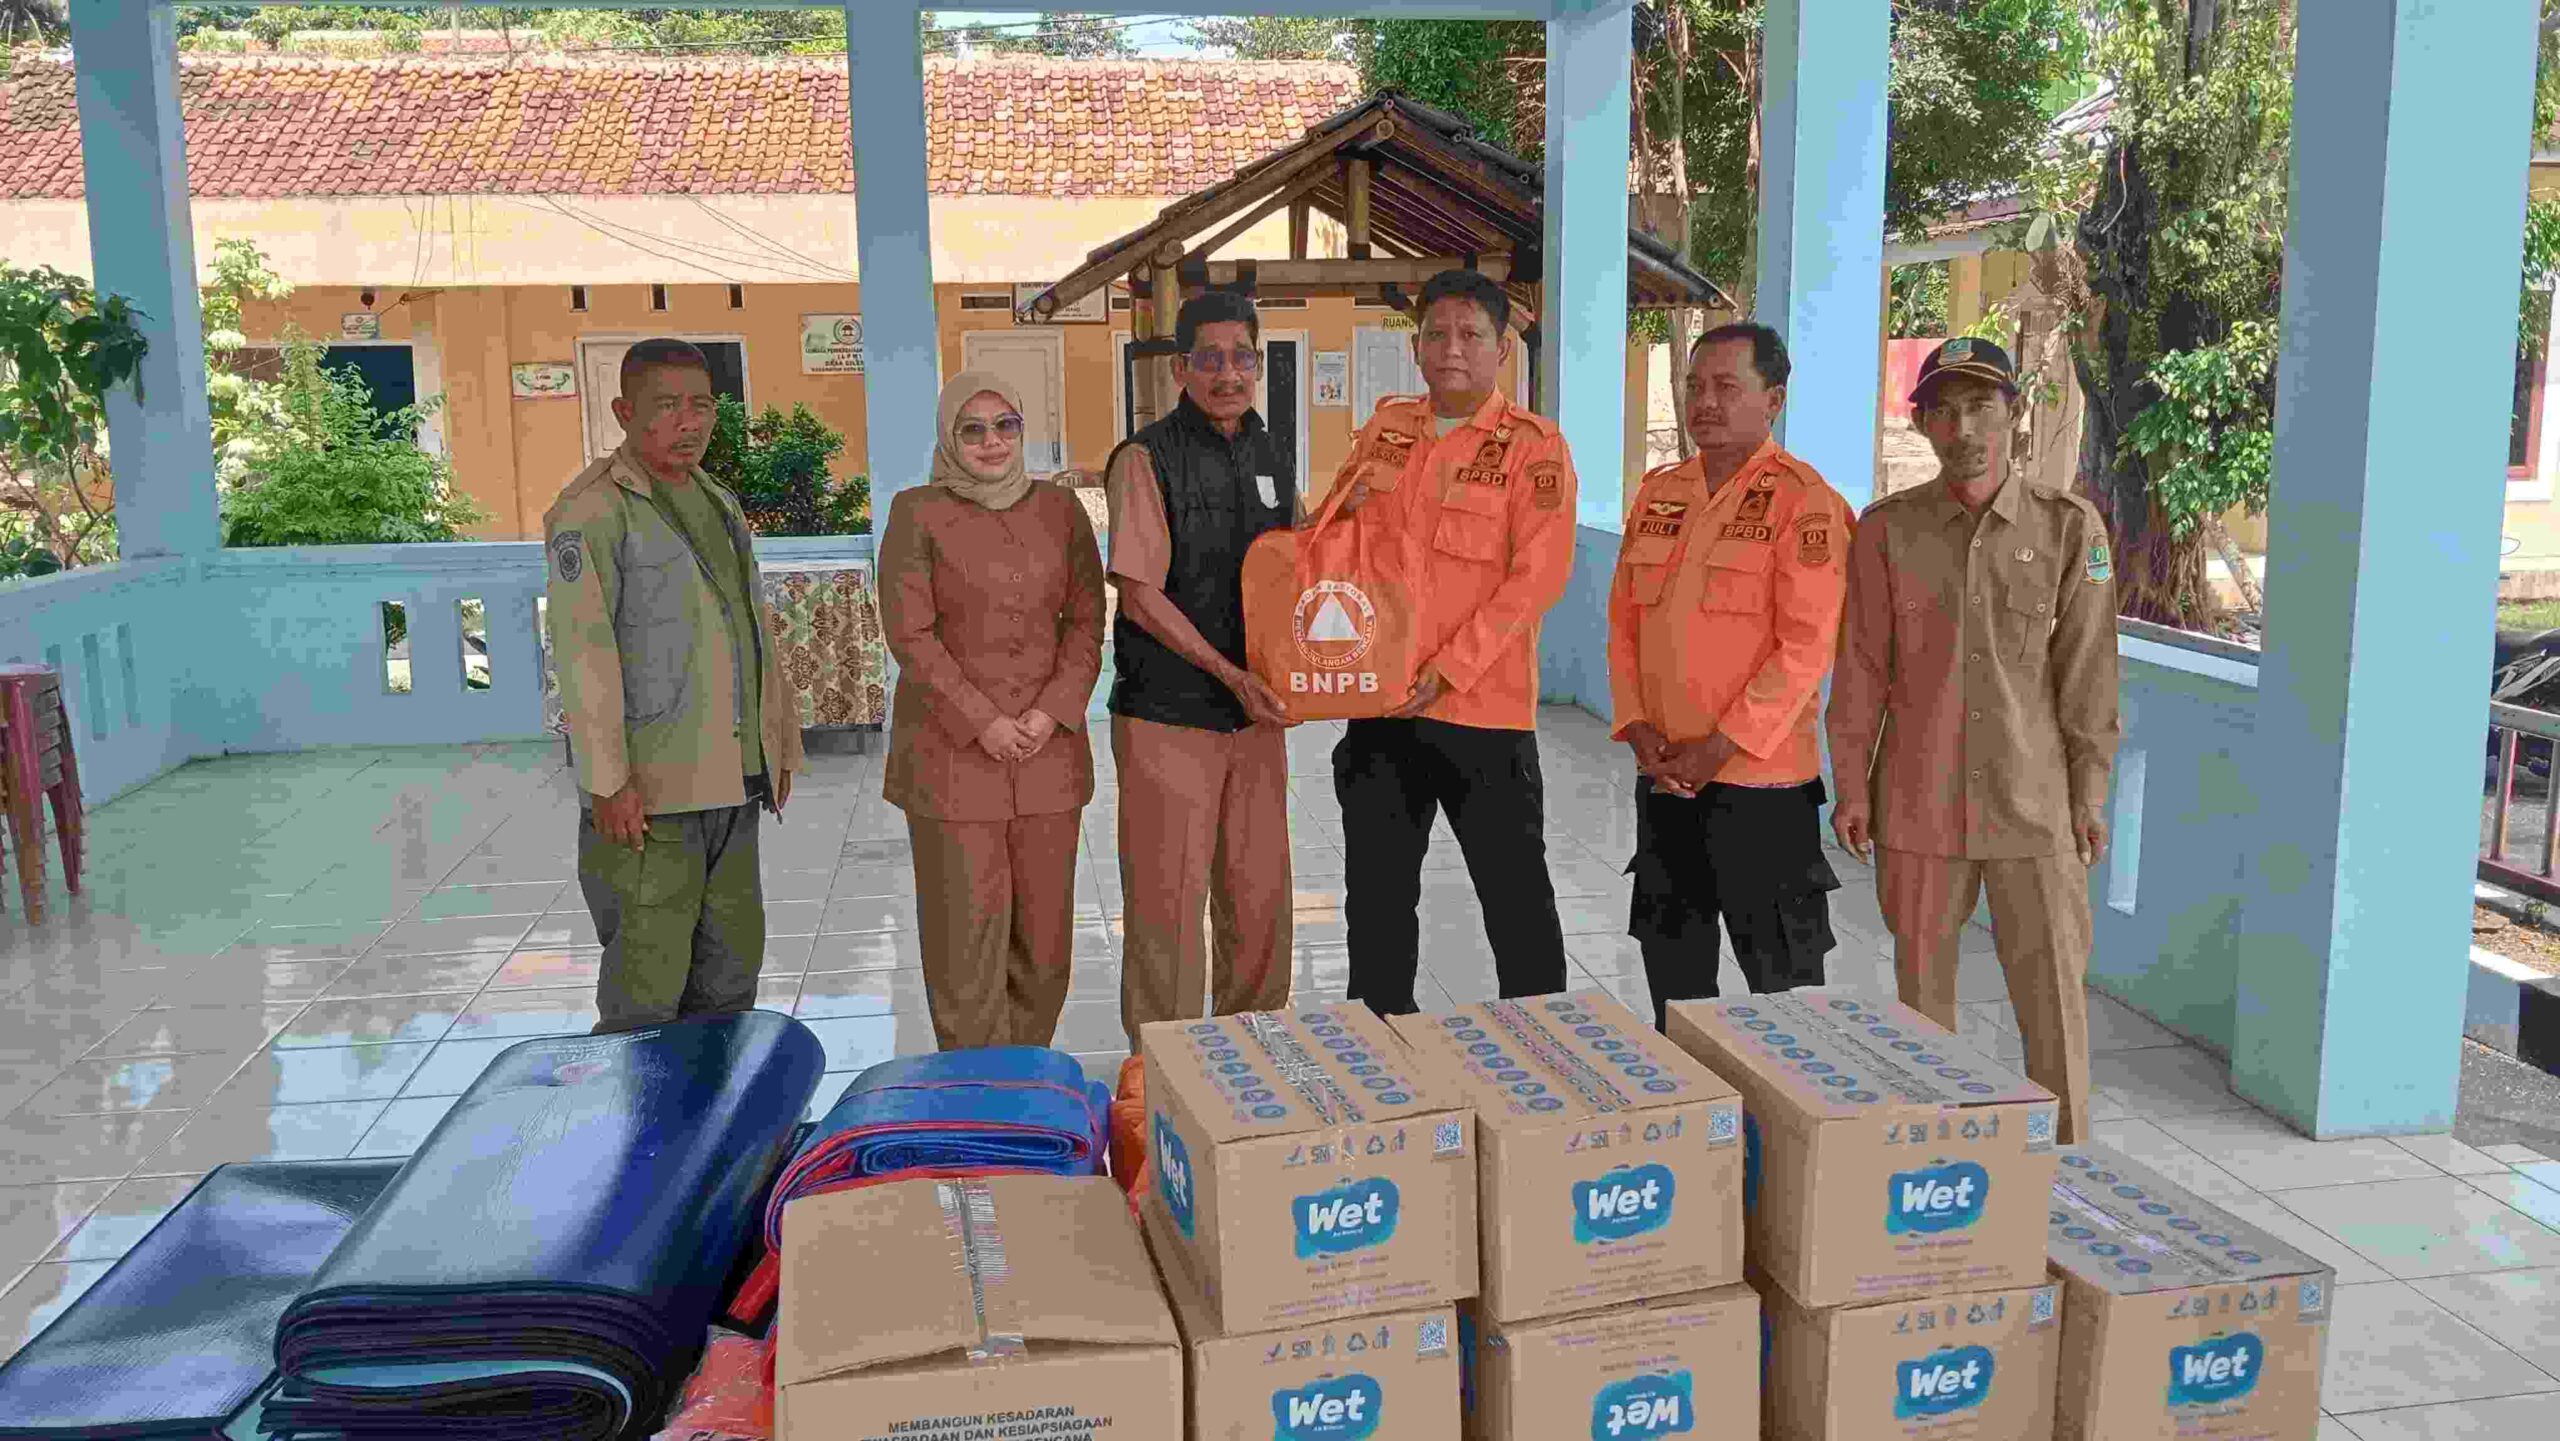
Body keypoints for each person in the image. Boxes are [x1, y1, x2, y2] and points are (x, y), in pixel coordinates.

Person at [1826, 337, 2121, 1143]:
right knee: (1922, 1002)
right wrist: (1851, 782)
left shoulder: (2071, 529)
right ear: (1922, 425)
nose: (1965, 427)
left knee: (2053, 997)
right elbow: (1860, 667)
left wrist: (2089, 796)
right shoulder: (1887, 532)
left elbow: (2089, 676)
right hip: (1918, 802)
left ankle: (2067, 1171)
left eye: (1983, 406)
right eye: (1945, 410)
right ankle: (1937, 1163)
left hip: (2037, 805)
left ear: (2014, 416)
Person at [1330, 268, 1577, 1015]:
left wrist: (1449, 669)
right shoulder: (1385, 430)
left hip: (1484, 716)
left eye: (1471, 334)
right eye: (1436, 333)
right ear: (1416, 346)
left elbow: (1535, 580)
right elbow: (1335, 542)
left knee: (1515, 900)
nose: (1451, 349)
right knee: (1376, 900)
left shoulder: (1535, 448)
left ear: (1502, 349)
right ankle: (1381, 1049)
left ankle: (1544, 1053)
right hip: (1382, 712)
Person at [545, 337, 804, 1035]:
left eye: (701, 405)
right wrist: (608, 780)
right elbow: (583, 652)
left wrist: (777, 748)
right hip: (649, 793)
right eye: (667, 406)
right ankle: (638, 1139)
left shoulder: (718, 502)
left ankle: (716, 1132)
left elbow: (752, 635)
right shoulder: (593, 511)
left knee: (728, 978)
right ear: (625, 411)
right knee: (646, 989)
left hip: (733, 782)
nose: (689, 422)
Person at [1609, 323, 1850, 1032]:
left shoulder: (1804, 500)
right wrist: (1638, 728)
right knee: (1674, 979)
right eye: (1694, 385)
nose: (1704, 401)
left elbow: (1805, 648)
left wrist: (1720, 747)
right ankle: (1698, 1128)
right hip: (1667, 781)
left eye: (1725, 386)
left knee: (1784, 987)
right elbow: (1625, 622)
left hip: (1761, 790)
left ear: (1772, 399)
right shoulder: (1660, 492)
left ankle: (1790, 1131)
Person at [878, 372, 1106, 1051]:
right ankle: (975, 1093)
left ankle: (1026, 1072)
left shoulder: (1060, 512)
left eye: (1005, 425)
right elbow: (910, 633)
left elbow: (1088, 620)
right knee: (964, 942)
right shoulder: (916, 511)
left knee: (1044, 941)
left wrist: (1051, 710)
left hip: (1048, 757)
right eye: (972, 429)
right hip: (953, 759)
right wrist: (984, 719)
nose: (991, 442)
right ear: (950, 438)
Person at [1103, 291, 1298, 1050]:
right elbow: (1142, 594)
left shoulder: (1271, 451)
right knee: (1167, 905)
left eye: (1241, 357)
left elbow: (1302, 565)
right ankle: (1164, 1075)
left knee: (1258, 897)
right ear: (1181, 367)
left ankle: (1254, 1057)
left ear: (1258, 363)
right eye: (1209, 359)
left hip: (1255, 717)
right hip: (1168, 713)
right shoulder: (1145, 458)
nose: (1228, 373)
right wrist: (1229, 672)